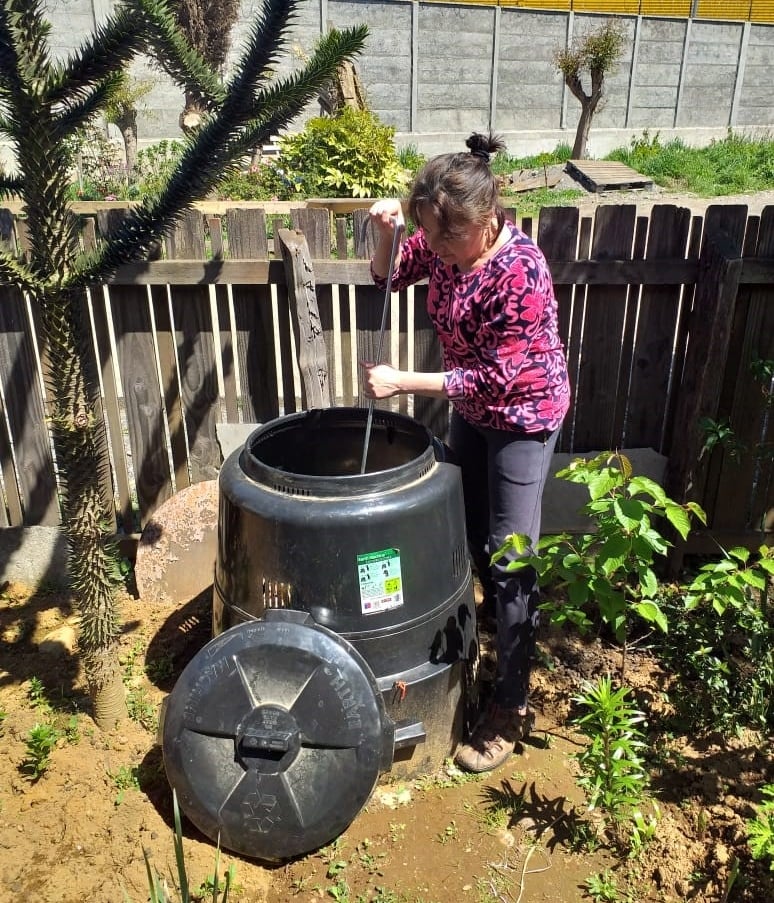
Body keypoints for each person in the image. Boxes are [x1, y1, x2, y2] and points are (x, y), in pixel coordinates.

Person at [362, 131, 571, 773]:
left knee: (510, 556)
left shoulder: (521, 271)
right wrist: (386, 231)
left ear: (485, 222)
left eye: (445, 237)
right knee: (468, 535)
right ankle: (484, 647)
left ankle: (512, 705)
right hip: (472, 415)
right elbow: (387, 274)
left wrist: (405, 382)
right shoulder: (442, 243)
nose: (437, 249)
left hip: (522, 417)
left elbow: (498, 377)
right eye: (427, 232)